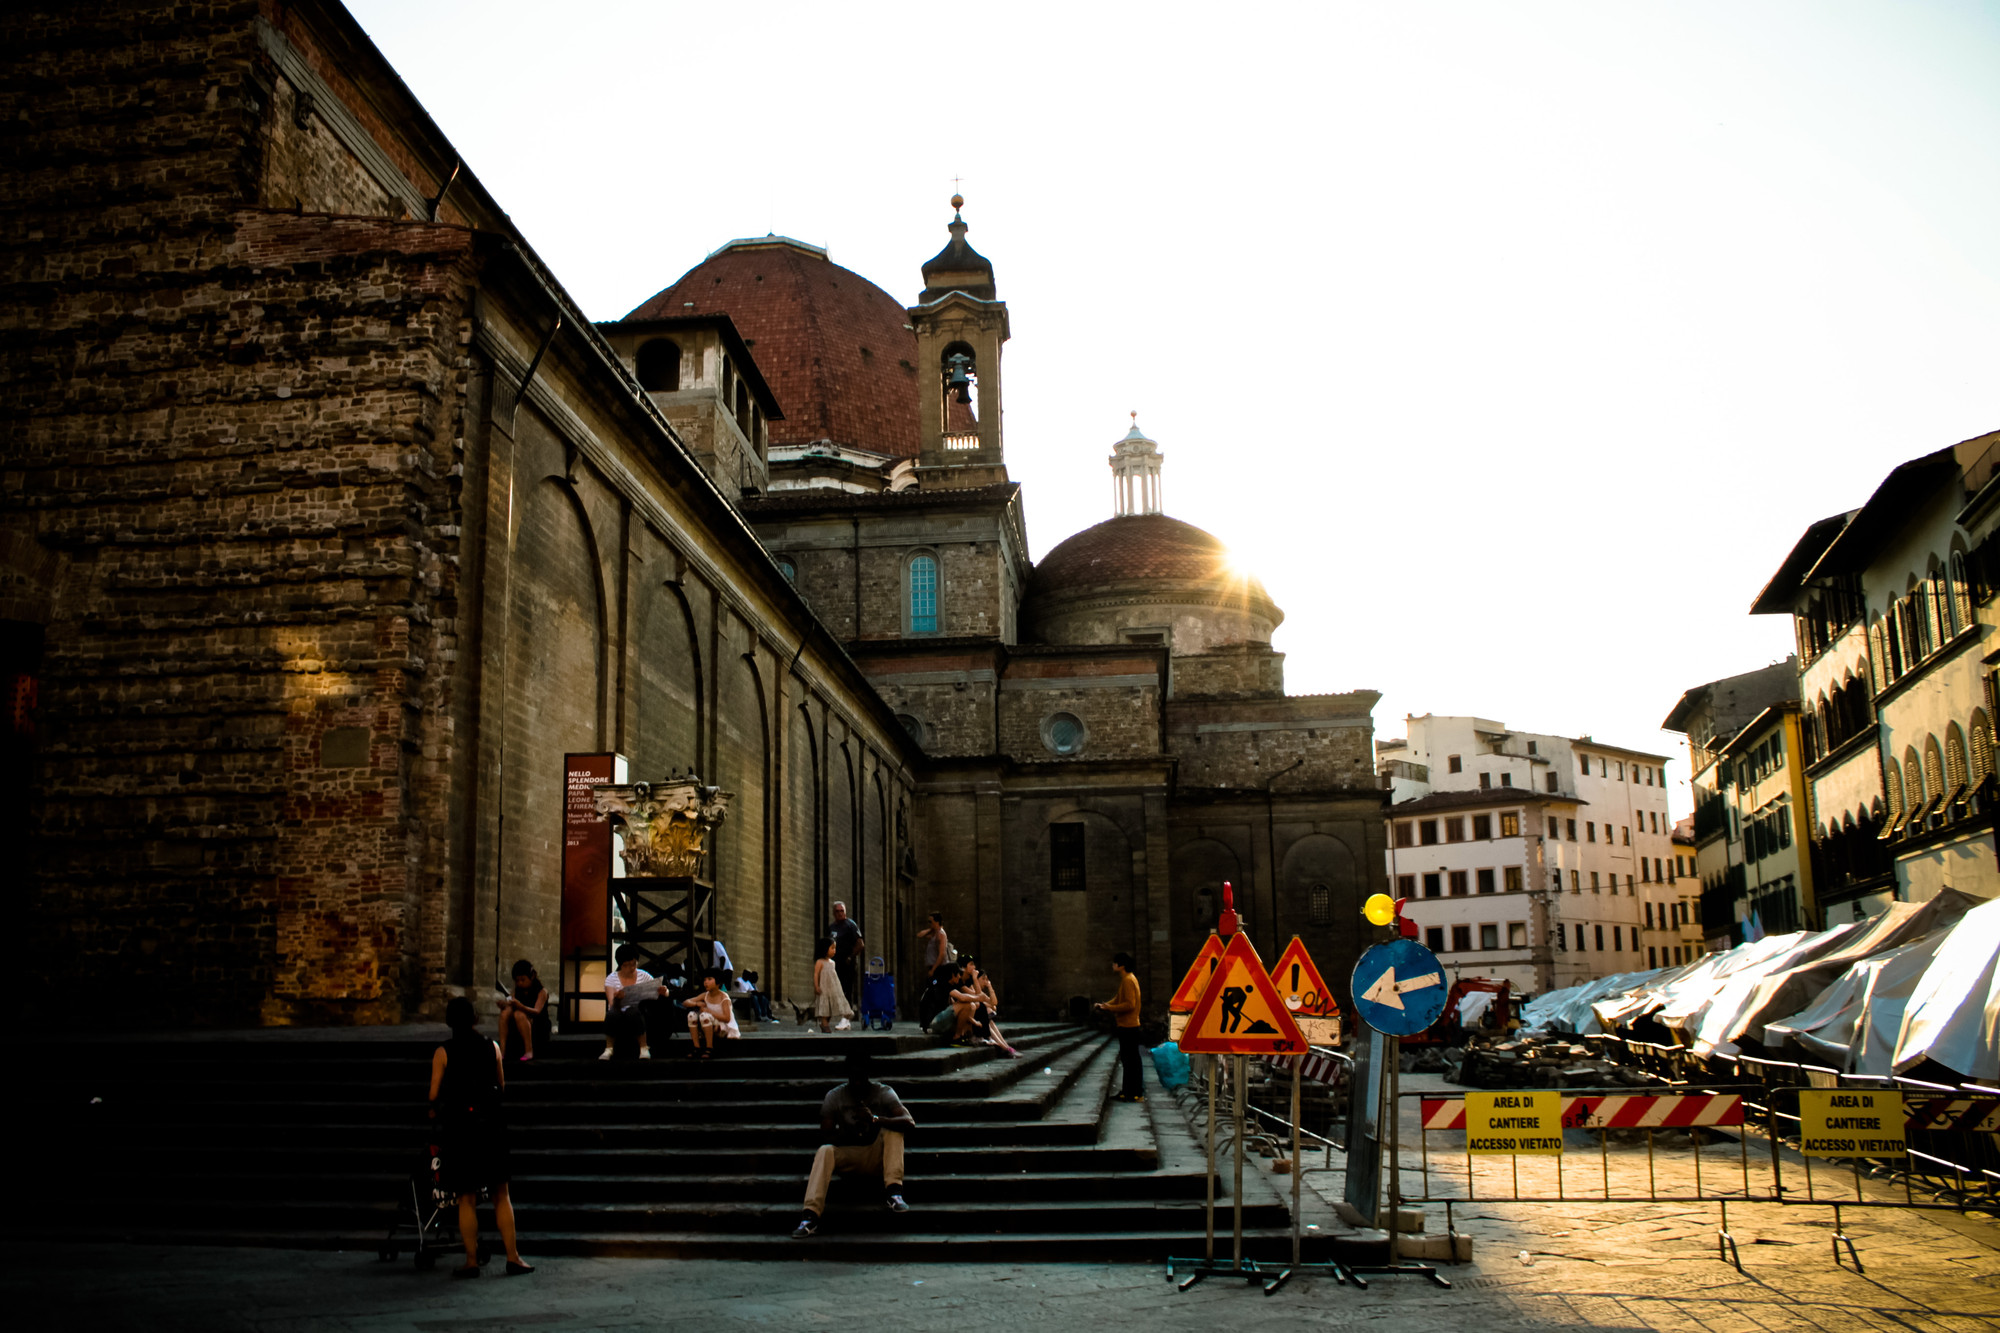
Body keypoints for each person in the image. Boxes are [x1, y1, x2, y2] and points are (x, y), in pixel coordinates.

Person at [428, 996, 532, 1278]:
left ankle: (471, 1260)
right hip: (491, 1127)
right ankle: (513, 1257)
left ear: (450, 1021)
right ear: (475, 1019)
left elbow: (434, 1094)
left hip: (461, 1129)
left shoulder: (443, 1052)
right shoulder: (492, 1047)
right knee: (501, 1194)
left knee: (466, 1198)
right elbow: (501, 1084)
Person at [791, 1051, 915, 1238]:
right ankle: (810, 1215)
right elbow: (825, 1135)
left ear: (868, 1075)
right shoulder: (835, 1096)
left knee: (893, 1130)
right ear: (848, 1075)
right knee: (825, 1151)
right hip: (849, 1156)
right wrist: (849, 1133)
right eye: (854, 1076)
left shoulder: (883, 1092)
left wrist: (875, 1119)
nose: (858, 1081)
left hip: (877, 1156)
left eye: (862, 1076)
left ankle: (894, 1192)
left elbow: (909, 1122)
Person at [1094, 951, 1145, 1102]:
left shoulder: (1129, 980)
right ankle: (1128, 1091)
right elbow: (1118, 999)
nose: (1112, 965)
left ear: (1121, 965)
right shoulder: (1127, 980)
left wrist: (1108, 1008)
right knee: (1128, 1059)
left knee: (1131, 1060)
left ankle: (1134, 1093)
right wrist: (1106, 1005)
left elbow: (1130, 1004)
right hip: (1127, 1025)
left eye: (1115, 963)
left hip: (1129, 1026)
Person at [952, 957, 1019, 1056]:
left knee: (988, 1015)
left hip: (973, 1013)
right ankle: (1003, 1047)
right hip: (965, 1015)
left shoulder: (968, 983)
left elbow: (993, 1004)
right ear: (963, 967)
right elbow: (979, 998)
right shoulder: (961, 984)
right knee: (984, 1010)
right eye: (971, 964)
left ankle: (1005, 1046)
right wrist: (975, 979)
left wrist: (990, 987)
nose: (974, 967)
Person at [601, 943, 655, 1060]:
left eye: (634, 964)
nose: (631, 968)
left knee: (633, 1012)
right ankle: (609, 1048)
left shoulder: (643, 975)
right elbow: (611, 1003)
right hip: (619, 1009)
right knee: (611, 1013)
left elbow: (654, 989)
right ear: (621, 965)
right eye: (627, 965)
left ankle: (644, 1048)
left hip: (638, 1010)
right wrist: (618, 998)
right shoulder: (611, 979)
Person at [496, 959, 550, 1062]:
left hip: (538, 1025)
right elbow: (510, 1003)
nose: (520, 983)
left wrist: (520, 1006)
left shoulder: (542, 991)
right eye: (517, 980)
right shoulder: (517, 990)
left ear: (532, 977)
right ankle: (502, 1050)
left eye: (523, 980)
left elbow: (537, 1011)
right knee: (505, 1013)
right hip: (520, 1024)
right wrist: (504, 1005)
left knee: (519, 1014)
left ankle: (529, 1050)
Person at [682, 967, 739, 1058]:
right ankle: (696, 1046)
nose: (706, 982)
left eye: (709, 979)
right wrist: (697, 1003)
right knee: (691, 1015)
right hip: (709, 1024)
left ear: (718, 982)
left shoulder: (723, 997)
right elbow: (686, 1002)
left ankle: (709, 1047)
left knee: (705, 1015)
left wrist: (709, 1011)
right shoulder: (705, 995)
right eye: (705, 979)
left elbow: (727, 1018)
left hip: (723, 1026)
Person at [826, 901, 864, 1010]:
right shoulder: (832, 927)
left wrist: (850, 956)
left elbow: (860, 944)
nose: (840, 913)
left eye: (842, 911)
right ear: (834, 913)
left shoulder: (850, 925)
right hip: (835, 963)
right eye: (837, 911)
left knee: (847, 989)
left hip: (848, 963)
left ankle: (847, 1015)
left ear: (845, 912)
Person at [812, 935, 854, 1033]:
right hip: (824, 988)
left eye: (835, 948)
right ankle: (824, 1024)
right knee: (824, 1005)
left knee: (831, 1006)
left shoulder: (832, 963)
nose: (834, 950)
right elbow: (816, 974)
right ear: (825, 948)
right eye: (832, 948)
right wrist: (816, 986)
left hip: (833, 988)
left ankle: (825, 1023)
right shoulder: (819, 962)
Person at [917, 960, 963, 1036]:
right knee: (964, 1006)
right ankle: (958, 1037)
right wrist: (980, 998)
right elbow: (962, 998)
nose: (959, 976)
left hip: (931, 1022)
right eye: (958, 974)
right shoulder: (943, 985)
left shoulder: (942, 984)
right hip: (931, 1024)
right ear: (952, 974)